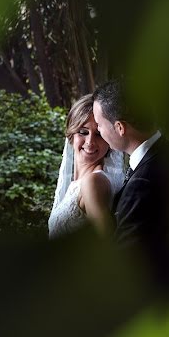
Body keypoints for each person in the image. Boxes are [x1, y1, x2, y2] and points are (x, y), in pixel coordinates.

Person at [92, 79, 169, 291]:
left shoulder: (142, 181)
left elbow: (127, 260)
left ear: (120, 128)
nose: (99, 131)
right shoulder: (167, 154)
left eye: (99, 124)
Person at [48, 94, 124, 239]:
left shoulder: (92, 183)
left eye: (99, 134)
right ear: (71, 136)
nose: (90, 142)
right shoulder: (79, 183)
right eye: (83, 132)